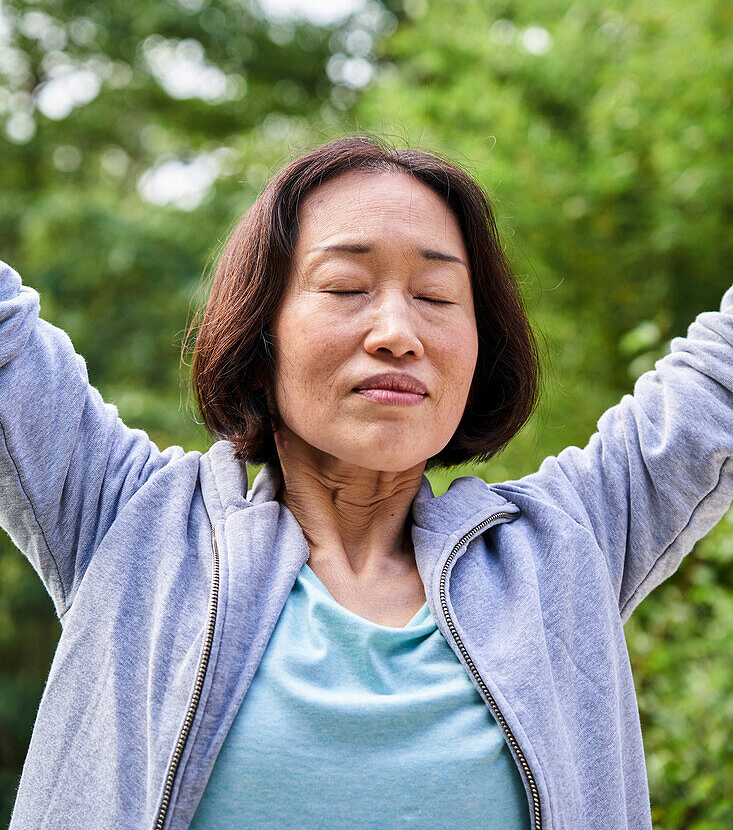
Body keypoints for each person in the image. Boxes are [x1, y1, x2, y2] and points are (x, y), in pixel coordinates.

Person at [1, 135, 731, 830]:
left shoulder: (564, 551)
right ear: (261, 336)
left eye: (438, 298)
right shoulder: (132, 525)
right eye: (346, 286)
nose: (396, 332)